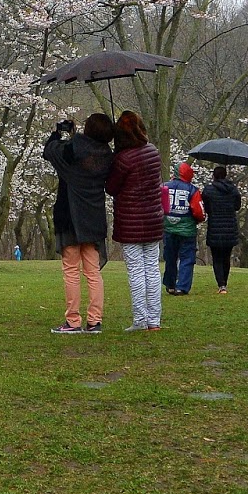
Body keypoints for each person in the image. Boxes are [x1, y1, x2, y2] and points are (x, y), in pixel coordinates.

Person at [42, 113, 116, 333]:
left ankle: (73, 320)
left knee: (71, 270)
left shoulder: (72, 150)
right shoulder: (107, 155)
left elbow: (51, 151)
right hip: (93, 217)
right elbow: (86, 156)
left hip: (69, 216)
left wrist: (58, 132)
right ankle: (95, 321)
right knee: (93, 272)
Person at [105, 110, 164, 331]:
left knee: (136, 271)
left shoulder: (123, 159)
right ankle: (154, 320)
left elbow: (111, 188)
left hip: (130, 221)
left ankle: (140, 319)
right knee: (152, 268)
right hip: (152, 219)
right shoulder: (153, 152)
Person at [161, 162, 205, 295]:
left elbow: (158, 206)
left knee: (170, 257)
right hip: (187, 231)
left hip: (168, 229)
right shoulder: (192, 190)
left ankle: (170, 284)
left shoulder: (163, 187)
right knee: (187, 258)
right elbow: (199, 212)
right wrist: (197, 220)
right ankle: (182, 286)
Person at [200, 165, 241, 294]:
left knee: (217, 257)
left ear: (214, 175)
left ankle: (221, 284)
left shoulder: (208, 190)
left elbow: (206, 208)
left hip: (215, 227)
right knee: (226, 257)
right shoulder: (233, 190)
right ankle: (225, 283)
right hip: (230, 227)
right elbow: (237, 206)